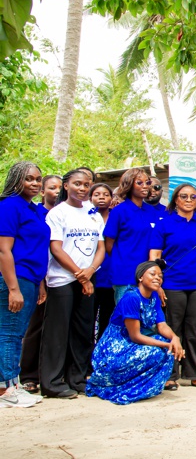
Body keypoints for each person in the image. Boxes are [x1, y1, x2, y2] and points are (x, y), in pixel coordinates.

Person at [40, 169, 106, 399]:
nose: (82, 188)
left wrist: (89, 272)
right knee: (57, 333)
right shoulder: (57, 213)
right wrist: (80, 275)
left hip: (87, 278)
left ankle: (77, 379)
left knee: (83, 331)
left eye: (86, 184)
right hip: (62, 280)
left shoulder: (93, 213)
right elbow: (56, 249)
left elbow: (100, 248)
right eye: (77, 183)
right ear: (66, 186)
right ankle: (52, 383)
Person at [150, 183, 196, 389]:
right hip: (172, 284)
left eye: (192, 197)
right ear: (176, 200)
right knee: (172, 328)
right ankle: (170, 375)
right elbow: (155, 255)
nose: (189, 200)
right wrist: (157, 283)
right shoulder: (165, 223)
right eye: (184, 197)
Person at [85, 260, 184, 404]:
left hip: (131, 345)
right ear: (140, 278)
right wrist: (166, 345)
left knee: (168, 345)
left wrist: (175, 338)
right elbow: (135, 336)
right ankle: (124, 386)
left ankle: (143, 387)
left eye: (160, 276)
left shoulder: (154, 296)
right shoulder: (131, 297)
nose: (158, 278)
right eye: (153, 274)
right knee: (162, 349)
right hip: (116, 349)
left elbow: (162, 325)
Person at [0, 162, 49, 408]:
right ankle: (6, 389)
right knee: (9, 332)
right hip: (15, 277)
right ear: (16, 180)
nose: (35, 183)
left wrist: (39, 284)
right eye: (29, 178)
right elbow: (3, 250)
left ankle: (13, 386)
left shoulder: (35, 210)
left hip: (31, 278)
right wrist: (12, 288)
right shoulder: (9, 206)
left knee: (15, 332)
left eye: (38, 179)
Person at [19, 174, 61, 393]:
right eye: (52, 188)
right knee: (34, 327)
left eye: (59, 188)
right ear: (43, 192)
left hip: (62, 279)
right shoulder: (36, 213)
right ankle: (28, 375)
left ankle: (53, 374)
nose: (56, 191)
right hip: (38, 277)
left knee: (57, 330)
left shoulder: (66, 214)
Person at [104, 168, 160, 302]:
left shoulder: (152, 211)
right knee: (127, 318)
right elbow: (109, 245)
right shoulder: (119, 211)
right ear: (129, 185)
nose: (145, 186)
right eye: (139, 183)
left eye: (147, 182)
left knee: (148, 319)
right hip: (126, 273)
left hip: (150, 273)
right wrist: (124, 258)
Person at [90, 184, 115, 341]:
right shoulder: (86, 217)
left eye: (105, 194)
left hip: (112, 275)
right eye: (97, 194)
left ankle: (102, 354)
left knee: (107, 318)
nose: (101, 197)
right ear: (90, 197)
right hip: (91, 275)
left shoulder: (116, 216)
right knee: (88, 318)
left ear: (111, 198)